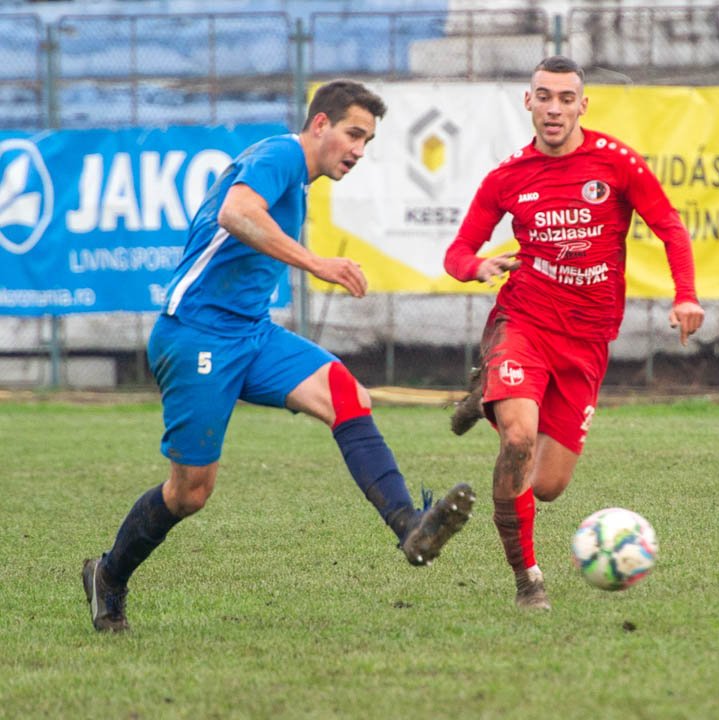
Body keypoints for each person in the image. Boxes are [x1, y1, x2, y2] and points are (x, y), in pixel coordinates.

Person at [81, 80, 476, 633]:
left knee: (347, 395)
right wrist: (317, 263)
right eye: (353, 134)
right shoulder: (281, 155)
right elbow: (236, 213)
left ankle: (410, 526)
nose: (359, 150)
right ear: (320, 124)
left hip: (253, 334)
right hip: (196, 335)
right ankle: (108, 575)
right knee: (190, 492)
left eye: (367, 140)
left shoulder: (298, 177)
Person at [443, 56, 705, 610]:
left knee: (547, 485)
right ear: (529, 102)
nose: (554, 108)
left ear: (583, 105)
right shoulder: (508, 177)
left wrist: (685, 294)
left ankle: (484, 394)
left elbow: (669, 226)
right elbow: (458, 251)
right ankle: (528, 580)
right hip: (524, 323)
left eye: (566, 98)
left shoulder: (616, 162)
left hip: (586, 342)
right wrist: (477, 266)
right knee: (518, 440)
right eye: (544, 96)